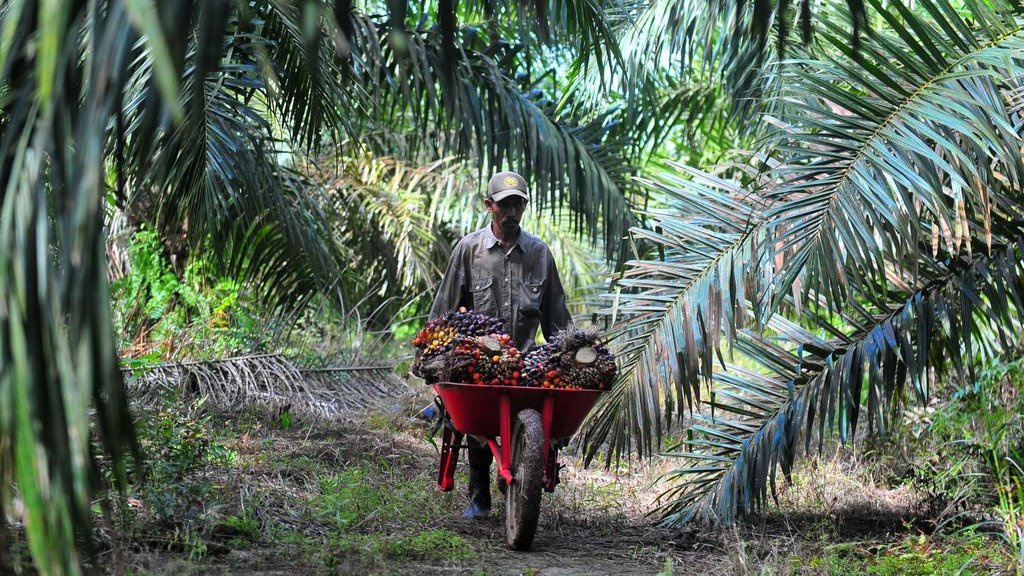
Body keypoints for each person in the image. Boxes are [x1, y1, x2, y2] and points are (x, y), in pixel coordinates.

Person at [429, 170, 572, 519]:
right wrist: (435, 357)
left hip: (525, 362)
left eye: (518, 205)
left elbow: (557, 317)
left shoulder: (539, 253)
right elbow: (444, 311)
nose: (511, 212)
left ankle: (520, 475)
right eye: (505, 205)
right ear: (489, 205)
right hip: (479, 360)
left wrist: (571, 359)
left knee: (532, 409)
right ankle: (478, 495)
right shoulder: (469, 250)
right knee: (477, 412)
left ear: (524, 207)